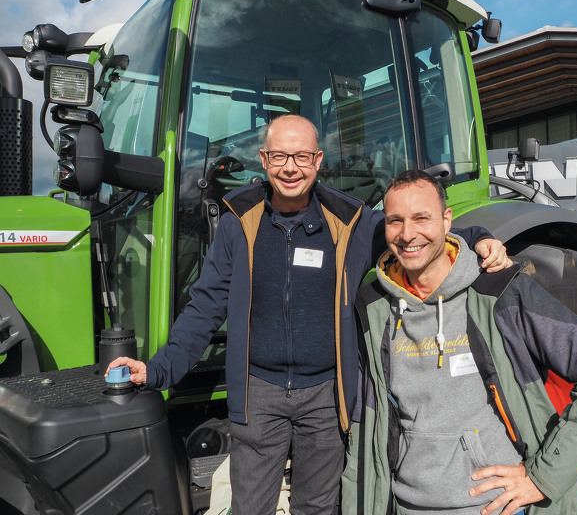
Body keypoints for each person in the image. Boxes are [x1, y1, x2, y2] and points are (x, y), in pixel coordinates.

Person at [107, 115, 510, 515]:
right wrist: (158, 370)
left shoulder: (349, 222)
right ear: (263, 160)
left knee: (316, 508)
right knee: (248, 507)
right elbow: (205, 306)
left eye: (301, 156)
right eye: (280, 156)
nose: (290, 168)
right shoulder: (238, 225)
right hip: (258, 391)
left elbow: (416, 235)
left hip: (325, 394)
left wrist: (480, 239)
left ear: (318, 161)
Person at [343, 169, 577, 515]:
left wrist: (540, 478)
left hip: (492, 508)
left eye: (422, 218)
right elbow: (364, 430)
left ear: (447, 220)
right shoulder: (372, 309)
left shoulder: (498, 292)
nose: (408, 234)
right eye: (395, 221)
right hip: (407, 507)